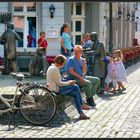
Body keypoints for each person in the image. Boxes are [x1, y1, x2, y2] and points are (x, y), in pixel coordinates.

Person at [46, 54, 90, 120]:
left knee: (75, 94)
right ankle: (81, 104)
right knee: (75, 86)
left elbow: (57, 81)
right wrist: (69, 83)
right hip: (55, 89)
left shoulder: (52, 67)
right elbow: (59, 84)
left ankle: (81, 114)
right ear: (60, 63)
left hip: (55, 87)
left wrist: (67, 81)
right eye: (63, 63)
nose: (64, 65)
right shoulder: (55, 69)